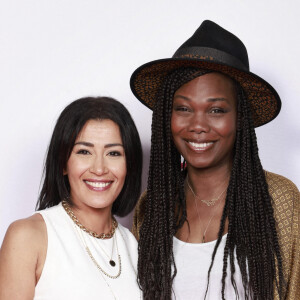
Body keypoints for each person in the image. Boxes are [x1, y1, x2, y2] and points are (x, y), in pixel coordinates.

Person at [130, 20, 299, 299]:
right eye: (183, 108)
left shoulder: (279, 201)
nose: (198, 125)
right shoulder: (152, 207)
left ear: (240, 118)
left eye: (217, 110)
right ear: (166, 116)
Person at [0, 97, 143, 299]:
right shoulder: (28, 237)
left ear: (129, 165)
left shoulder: (134, 247)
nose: (99, 169)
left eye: (113, 153)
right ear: (63, 163)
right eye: (84, 151)